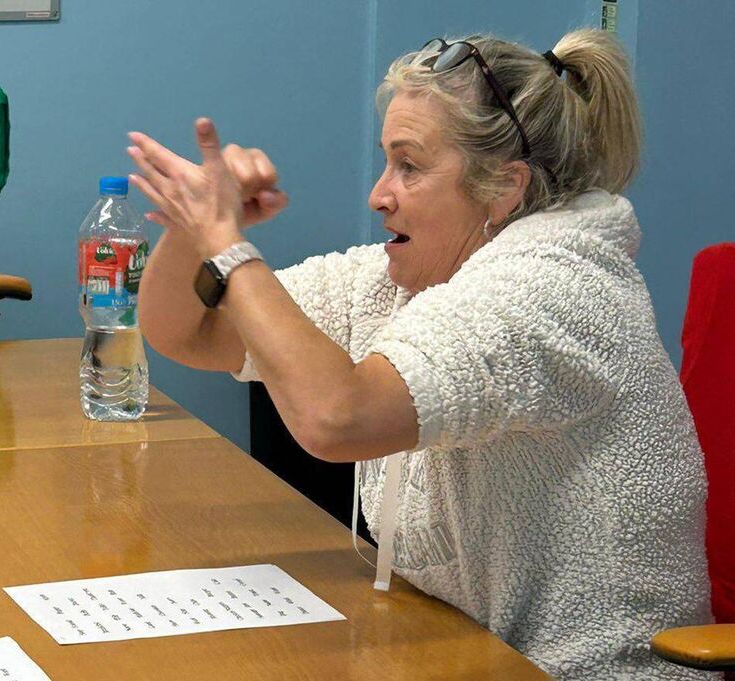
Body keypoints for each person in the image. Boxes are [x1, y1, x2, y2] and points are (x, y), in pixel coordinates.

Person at [128, 29, 713, 680]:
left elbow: (336, 418)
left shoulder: (554, 287)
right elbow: (187, 331)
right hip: (463, 653)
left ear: (502, 187)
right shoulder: (411, 277)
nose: (379, 195)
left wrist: (228, 245)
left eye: (408, 165)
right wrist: (195, 229)